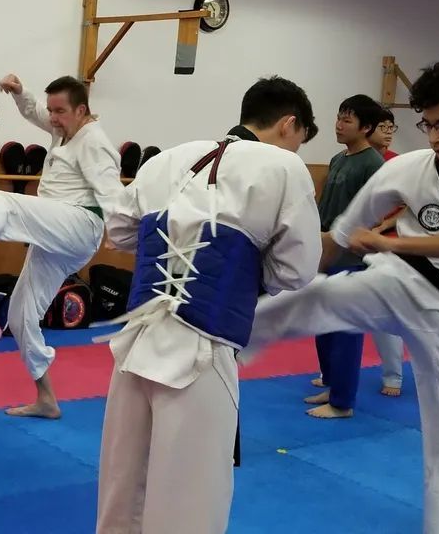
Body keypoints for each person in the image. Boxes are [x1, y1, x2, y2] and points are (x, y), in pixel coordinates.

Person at [241, 60, 439, 534]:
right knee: (323, 296)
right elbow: (340, 237)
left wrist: (392, 242)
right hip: (403, 284)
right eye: (429, 124)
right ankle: (231, 333)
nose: (436, 137)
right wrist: (262, 259)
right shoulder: (407, 169)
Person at [95, 76, 321, 534]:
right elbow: (298, 269)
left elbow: (117, 231)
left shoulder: (168, 159)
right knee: (191, 500)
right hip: (204, 348)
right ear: (288, 125)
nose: (295, 148)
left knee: (123, 490)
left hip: (134, 344)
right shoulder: (282, 167)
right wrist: (241, 267)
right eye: (299, 139)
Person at [0, 74, 121, 419]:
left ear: (82, 109)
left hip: (81, 224)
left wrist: (120, 229)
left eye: (59, 111)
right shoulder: (65, 128)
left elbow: (112, 193)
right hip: (55, 232)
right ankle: (46, 399)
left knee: (3, 202)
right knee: (20, 316)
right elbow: (36, 113)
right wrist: (20, 94)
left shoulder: (95, 142)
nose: (53, 118)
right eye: (52, 110)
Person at [305, 95, 386, 419]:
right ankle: (332, 382)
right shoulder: (339, 159)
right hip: (326, 250)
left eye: (347, 120)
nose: (339, 124)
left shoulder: (373, 163)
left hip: (351, 257)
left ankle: (343, 401)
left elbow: (379, 210)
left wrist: (358, 238)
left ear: (366, 127)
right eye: (339, 117)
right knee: (322, 323)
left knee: (346, 329)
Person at [366, 109, 407, 397]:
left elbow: (410, 205)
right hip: (355, 242)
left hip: (389, 245)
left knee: (387, 312)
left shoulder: (398, 163)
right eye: (383, 126)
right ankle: (332, 370)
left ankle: (393, 376)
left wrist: (385, 225)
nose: (389, 131)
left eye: (391, 126)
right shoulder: (352, 161)